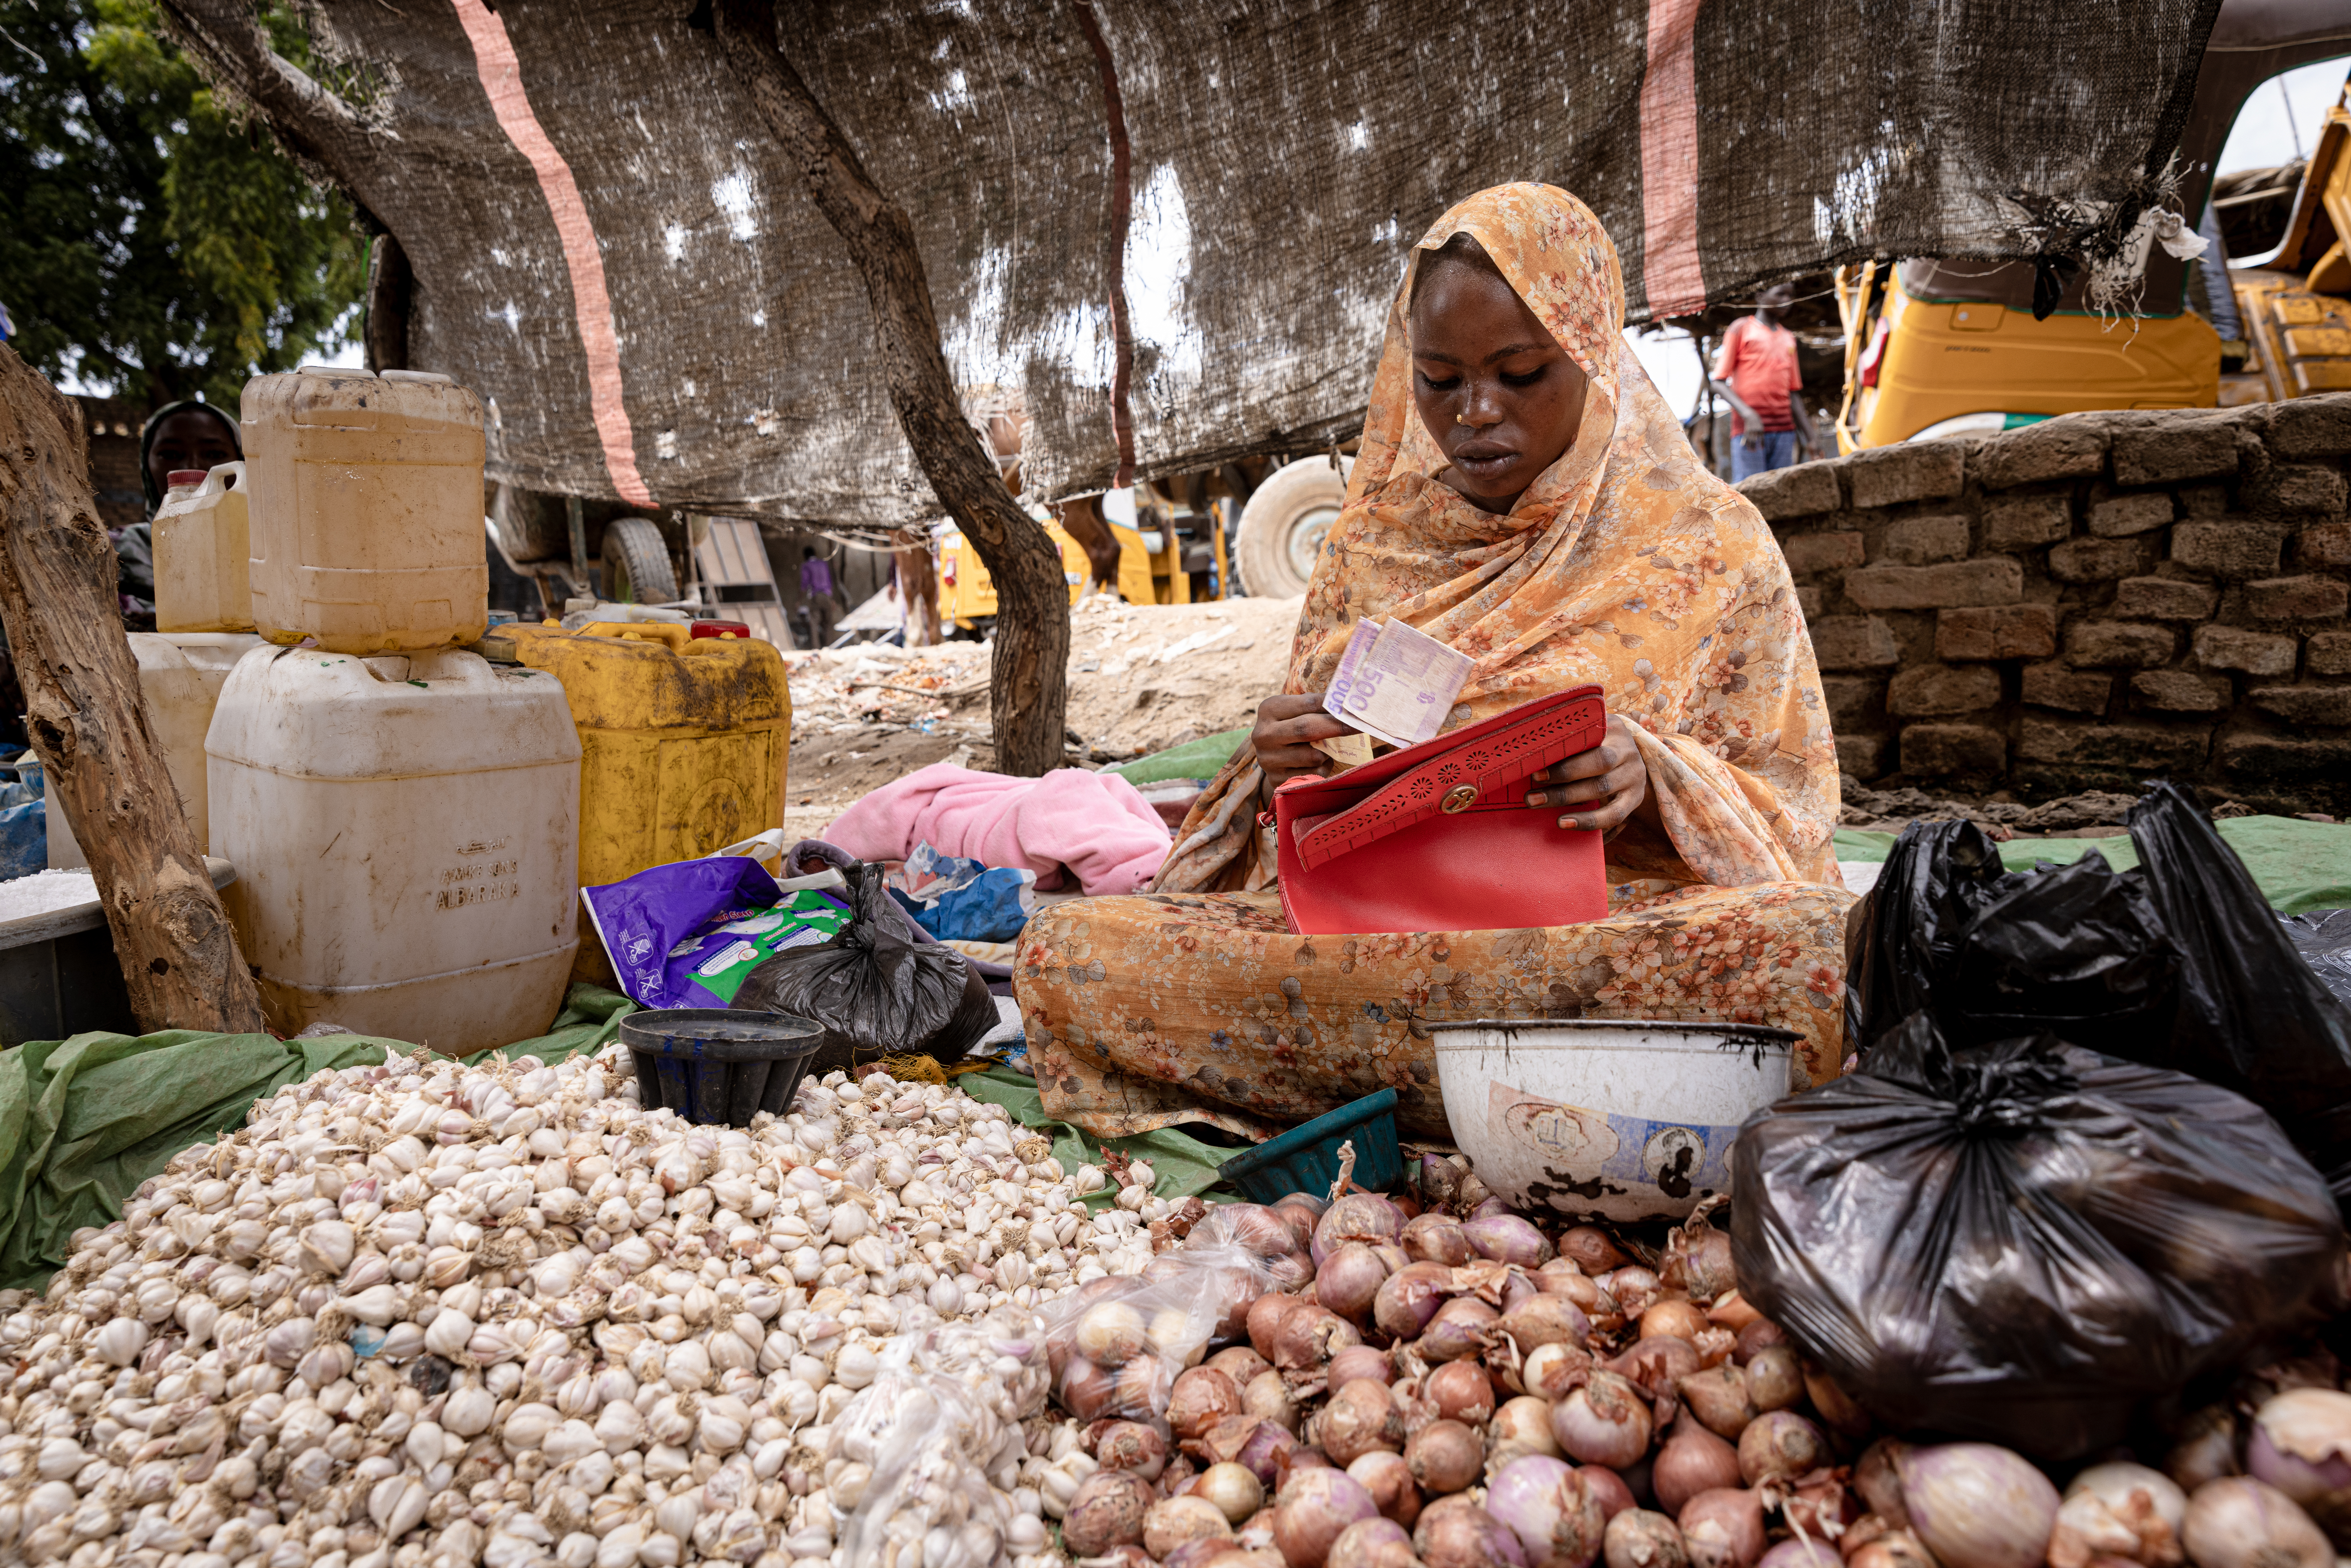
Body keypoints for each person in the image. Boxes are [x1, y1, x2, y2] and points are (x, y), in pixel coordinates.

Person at [1011, 184, 1848, 1143]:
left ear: (1589, 349)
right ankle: (1536, 1099)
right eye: (1441, 381)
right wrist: (1272, 766)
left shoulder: (1705, 544)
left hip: (1601, 946)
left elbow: (1792, 810)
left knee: (1807, 953)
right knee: (1067, 954)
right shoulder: (1373, 544)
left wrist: (1654, 775)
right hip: (1375, 944)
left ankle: (1398, 1085)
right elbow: (1284, 843)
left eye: (1521, 372)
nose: (1476, 413)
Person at [123, 400, 242, 624]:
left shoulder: (272, 555)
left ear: (242, 464)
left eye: (215, 454)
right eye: (170, 454)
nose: (192, 467)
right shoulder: (109, 555)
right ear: (146, 465)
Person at [1710, 283, 1816, 481]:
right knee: (1751, 491)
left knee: (1780, 491)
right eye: (1780, 294)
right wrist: (1749, 414)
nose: (1787, 301)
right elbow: (1717, 382)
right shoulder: (1741, 329)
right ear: (1760, 296)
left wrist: (1811, 438)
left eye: (1790, 296)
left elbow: (1793, 392)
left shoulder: (1788, 338)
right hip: (1750, 430)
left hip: (1784, 431)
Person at [796, 545, 841, 648]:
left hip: (816, 596)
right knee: (828, 624)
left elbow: (804, 584)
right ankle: (829, 648)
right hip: (827, 596)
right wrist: (832, 600)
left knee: (814, 623)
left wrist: (799, 601)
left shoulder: (806, 566)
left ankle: (816, 649)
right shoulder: (823, 564)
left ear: (805, 556)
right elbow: (830, 582)